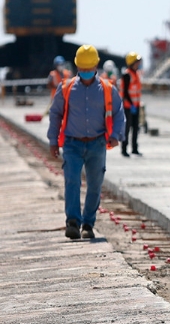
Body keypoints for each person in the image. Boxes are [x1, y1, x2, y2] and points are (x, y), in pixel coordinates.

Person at [47, 45, 125, 240]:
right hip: (72, 144)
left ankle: (88, 223)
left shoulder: (108, 89)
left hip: (97, 144)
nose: (85, 72)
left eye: (88, 68)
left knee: (95, 184)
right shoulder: (66, 88)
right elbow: (55, 114)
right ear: (77, 67)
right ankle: (72, 221)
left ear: (96, 65)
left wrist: (116, 135)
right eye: (82, 68)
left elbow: (119, 113)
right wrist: (53, 140)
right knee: (72, 181)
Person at [119, 51, 143, 157]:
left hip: (135, 106)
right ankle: (124, 149)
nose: (138, 64)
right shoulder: (127, 74)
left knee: (136, 128)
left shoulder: (136, 74)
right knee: (127, 128)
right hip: (128, 106)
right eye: (136, 62)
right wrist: (131, 103)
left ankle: (134, 148)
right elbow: (125, 92)